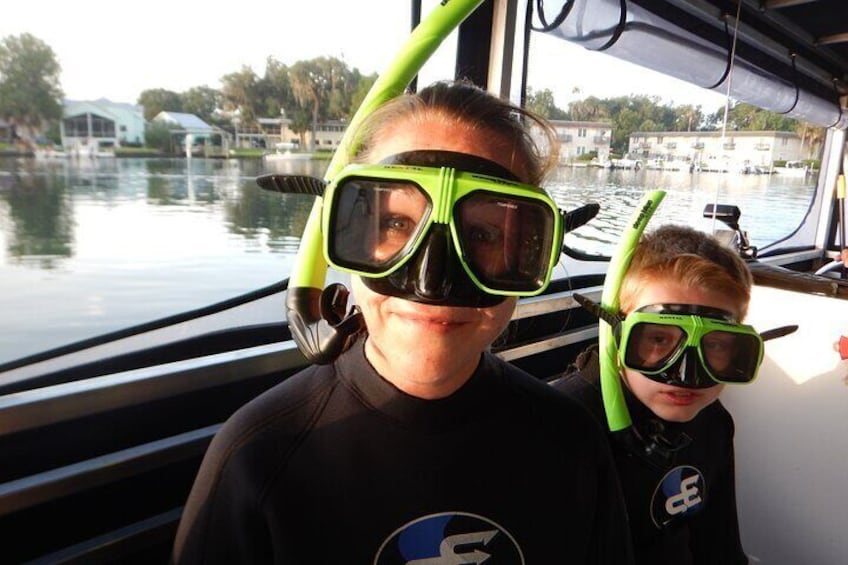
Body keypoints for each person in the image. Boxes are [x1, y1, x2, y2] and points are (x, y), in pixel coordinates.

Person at [171, 80, 634, 564]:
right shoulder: (258, 455)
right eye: (395, 225)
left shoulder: (572, 445)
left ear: (532, 254)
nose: (432, 283)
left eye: (481, 234)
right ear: (345, 229)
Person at [552, 224, 760, 565]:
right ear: (615, 333)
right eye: (658, 340)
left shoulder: (712, 422)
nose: (686, 375)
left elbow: (719, 547)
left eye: (717, 345)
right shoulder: (560, 429)